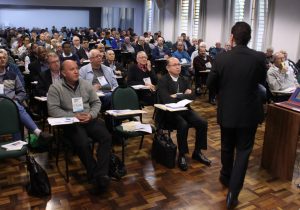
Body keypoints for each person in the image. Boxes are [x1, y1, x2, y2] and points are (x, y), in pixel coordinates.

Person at [207, 22, 267, 209]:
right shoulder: (259, 57)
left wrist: (221, 94)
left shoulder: (222, 58)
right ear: (249, 37)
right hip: (249, 112)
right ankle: (233, 192)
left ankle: (226, 176)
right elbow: (261, 82)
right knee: (243, 152)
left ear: (232, 37)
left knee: (226, 146)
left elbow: (210, 83)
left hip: (227, 111)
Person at [47, 60, 111, 191]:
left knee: (106, 137)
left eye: (77, 68)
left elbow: (96, 103)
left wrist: (91, 115)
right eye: (72, 69)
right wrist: (73, 116)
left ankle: (101, 173)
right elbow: (52, 110)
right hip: (71, 122)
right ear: (63, 73)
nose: (76, 71)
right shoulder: (55, 87)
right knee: (82, 143)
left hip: (88, 119)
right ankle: (95, 174)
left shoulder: (86, 84)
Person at [156, 57, 211, 171]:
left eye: (179, 64)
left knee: (202, 123)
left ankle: (197, 152)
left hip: (185, 109)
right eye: (174, 65)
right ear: (168, 68)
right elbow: (166, 100)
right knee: (183, 124)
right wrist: (184, 94)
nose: (178, 66)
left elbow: (193, 96)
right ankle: (182, 154)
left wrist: (177, 95)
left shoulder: (184, 79)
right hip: (169, 112)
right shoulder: (163, 80)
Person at [0, 49, 52, 142]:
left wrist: (16, 99)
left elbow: (22, 92)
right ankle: (37, 132)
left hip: (12, 105)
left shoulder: (12, 75)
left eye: (4, 58)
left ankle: (18, 144)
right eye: (0, 58)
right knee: (16, 107)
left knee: (15, 107)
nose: (2, 60)